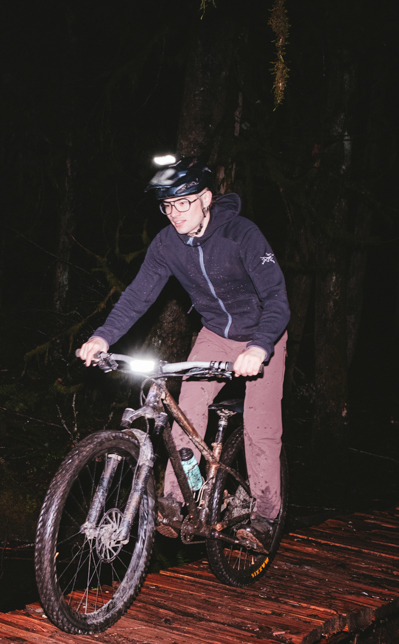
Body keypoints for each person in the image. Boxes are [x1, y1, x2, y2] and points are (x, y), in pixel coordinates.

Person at [77, 156, 289, 550]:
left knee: (261, 428)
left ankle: (264, 515)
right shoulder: (167, 244)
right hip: (214, 335)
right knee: (185, 412)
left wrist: (259, 348)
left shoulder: (242, 234)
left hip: (263, 336)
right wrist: (103, 337)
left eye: (184, 203)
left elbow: (277, 298)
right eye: (167, 205)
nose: (174, 213)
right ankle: (176, 501)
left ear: (206, 199)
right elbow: (139, 294)